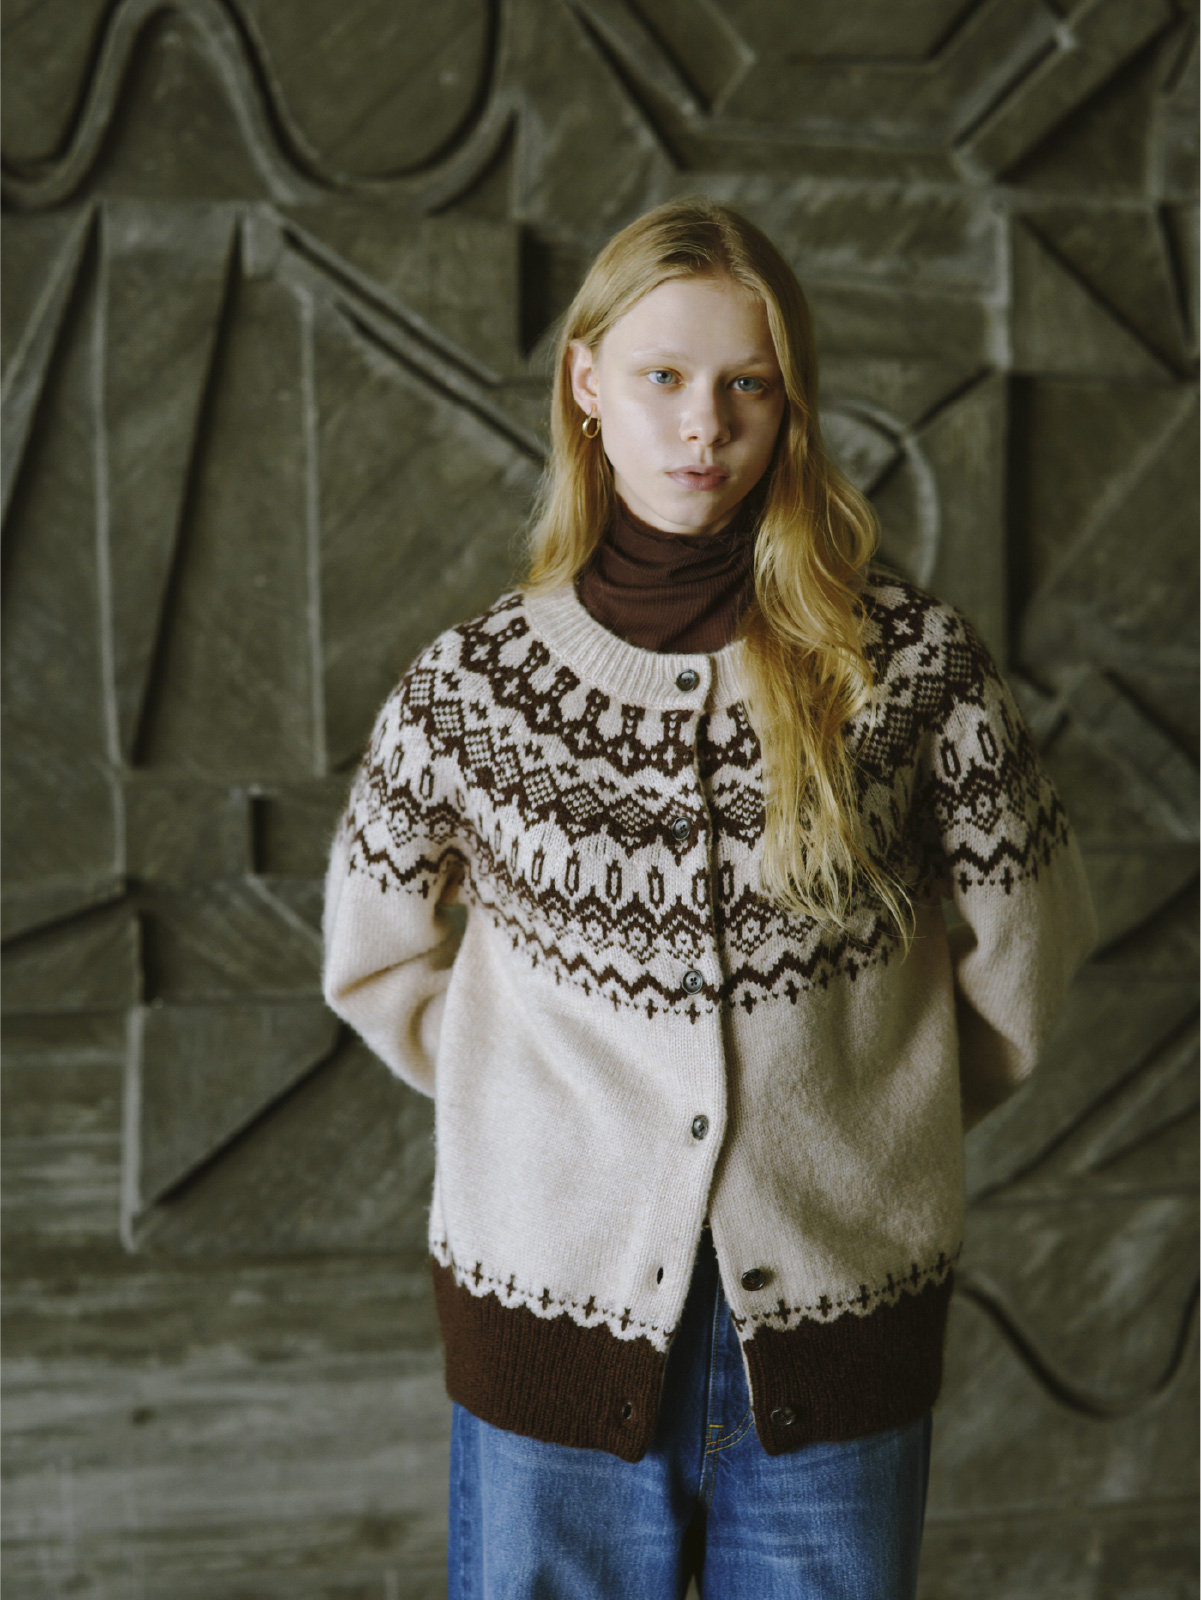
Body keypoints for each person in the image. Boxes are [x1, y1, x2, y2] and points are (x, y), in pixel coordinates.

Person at [322, 199, 1095, 1598]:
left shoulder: (906, 667)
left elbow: (1023, 949)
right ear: (586, 382)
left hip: (837, 1323)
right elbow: (375, 957)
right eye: (663, 376)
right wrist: (531, 1111)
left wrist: (873, 1118)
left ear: (790, 403)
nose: (704, 426)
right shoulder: (476, 689)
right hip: (545, 1318)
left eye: (748, 384)